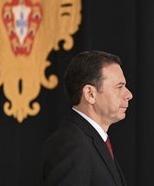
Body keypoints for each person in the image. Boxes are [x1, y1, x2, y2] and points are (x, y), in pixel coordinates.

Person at [39, 50, 133, 186]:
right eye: (119, 87)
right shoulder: (71, 145)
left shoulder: (87, 140)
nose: (129, 94)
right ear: (90, 94)